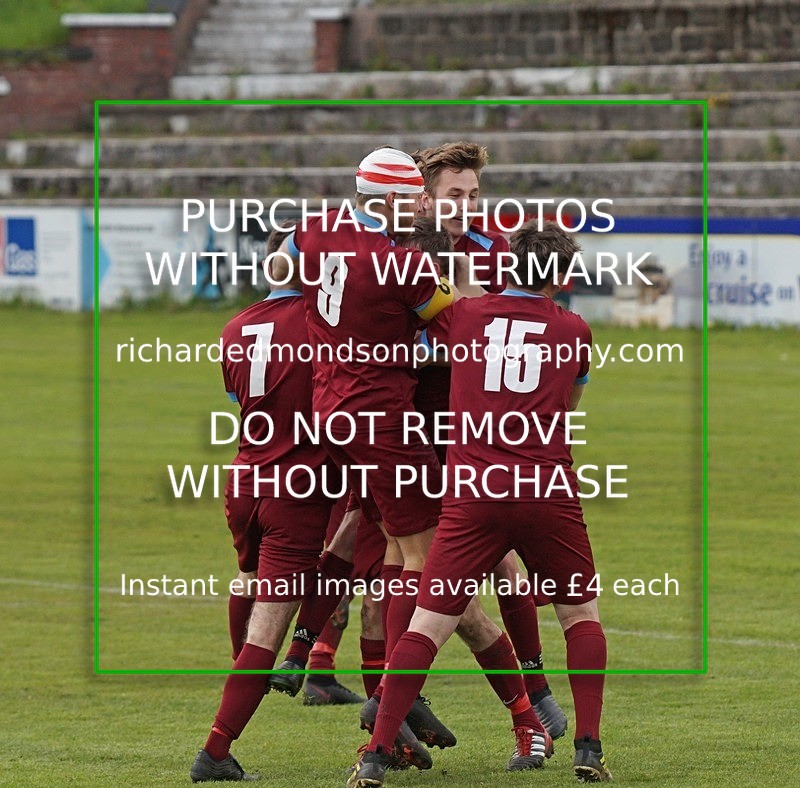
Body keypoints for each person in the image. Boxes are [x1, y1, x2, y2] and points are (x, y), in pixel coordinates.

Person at [347, 221, 611, 787]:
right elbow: (571, 399)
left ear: (509, 266)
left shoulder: (464, 317)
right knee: (579, 617)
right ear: (562, 276)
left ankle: (374, 754)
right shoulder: (575, 330)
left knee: (428, 624)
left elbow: (418, 303)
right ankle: (588, 747)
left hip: (474, 496)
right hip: (546, 492)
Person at [413, 142, 567, 738]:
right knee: (385, 563)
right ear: (426, 197)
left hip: (472, 423)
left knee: (492, 564)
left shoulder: (491, 250)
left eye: (475, 194)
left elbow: (503, 328)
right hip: (407, 419)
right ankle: (357, 681)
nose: (467, 205)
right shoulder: (404, 250)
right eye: (455, 195)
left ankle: (534, 693)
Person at [189, 231, 351, 782]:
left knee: (255, 582)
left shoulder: (235, 326)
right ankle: (215, 749)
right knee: (277, 623)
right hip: (297, 489)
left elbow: (243, 401)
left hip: (245, 480)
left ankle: (264, 665)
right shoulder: (319, 326)